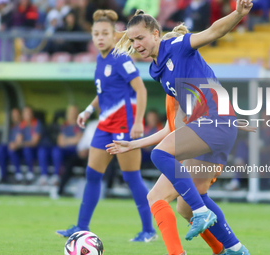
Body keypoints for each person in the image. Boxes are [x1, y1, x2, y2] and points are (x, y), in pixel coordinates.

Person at [109, 2, 253, 254]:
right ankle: (233, 249)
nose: (136, 45)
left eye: (140, 38)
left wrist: (238, 14)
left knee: (161, 155)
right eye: (132, 41)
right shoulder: (158, 72)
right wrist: (133, 144)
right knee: (184, 203)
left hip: (214, 122)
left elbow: (213, 31)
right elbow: (173, 127)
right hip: (211, 126)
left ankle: (199, 217)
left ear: (156, 34)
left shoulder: (176, 45)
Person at [56, 9, 157, 242]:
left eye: (104, 33)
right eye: (96, 34)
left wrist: (139, 121)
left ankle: (148, 230)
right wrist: (89, 110)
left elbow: (140, 89)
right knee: (92, 174)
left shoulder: (121, 58)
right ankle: (81, 228)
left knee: (132, 178)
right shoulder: (100, 60)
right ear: (92, 37)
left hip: (125, 126)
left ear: (114, 36)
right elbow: (103, 93)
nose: (100, 37)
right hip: (104, 126)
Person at [16, 106, 51, 184]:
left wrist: (20, 143)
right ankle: (25, 172)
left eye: (29, 113)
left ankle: (44, 176)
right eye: (25, 113)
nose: (27, 115)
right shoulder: (22, 124)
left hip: (41, 148)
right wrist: (16, 144)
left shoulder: (37, 123)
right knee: (18, 149)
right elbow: (18, 139)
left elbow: (34, 142)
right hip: (30, 149)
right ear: (23, 115)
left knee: (41, 152)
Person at [0, 108, 23, 182]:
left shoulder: (22, 125)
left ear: (20, 115)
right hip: (12, 148)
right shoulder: (13, 127)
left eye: (16, 115)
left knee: (5, 148)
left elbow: (20, 140)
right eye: (13, 115)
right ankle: (2, 176)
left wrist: (15, 144)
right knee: (2, 153)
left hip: (21, 150)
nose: (14, 117)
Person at [51, 105, 83, 186]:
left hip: (76, 152)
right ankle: (56, 175)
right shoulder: (64, 126)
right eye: (70, 112)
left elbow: (79, 140)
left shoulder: (81, 125)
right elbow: (60, 142)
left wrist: (66, 140)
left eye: (73, 112)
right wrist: (72, 140)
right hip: (65, 151)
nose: (71, 114)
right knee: (56, 150)